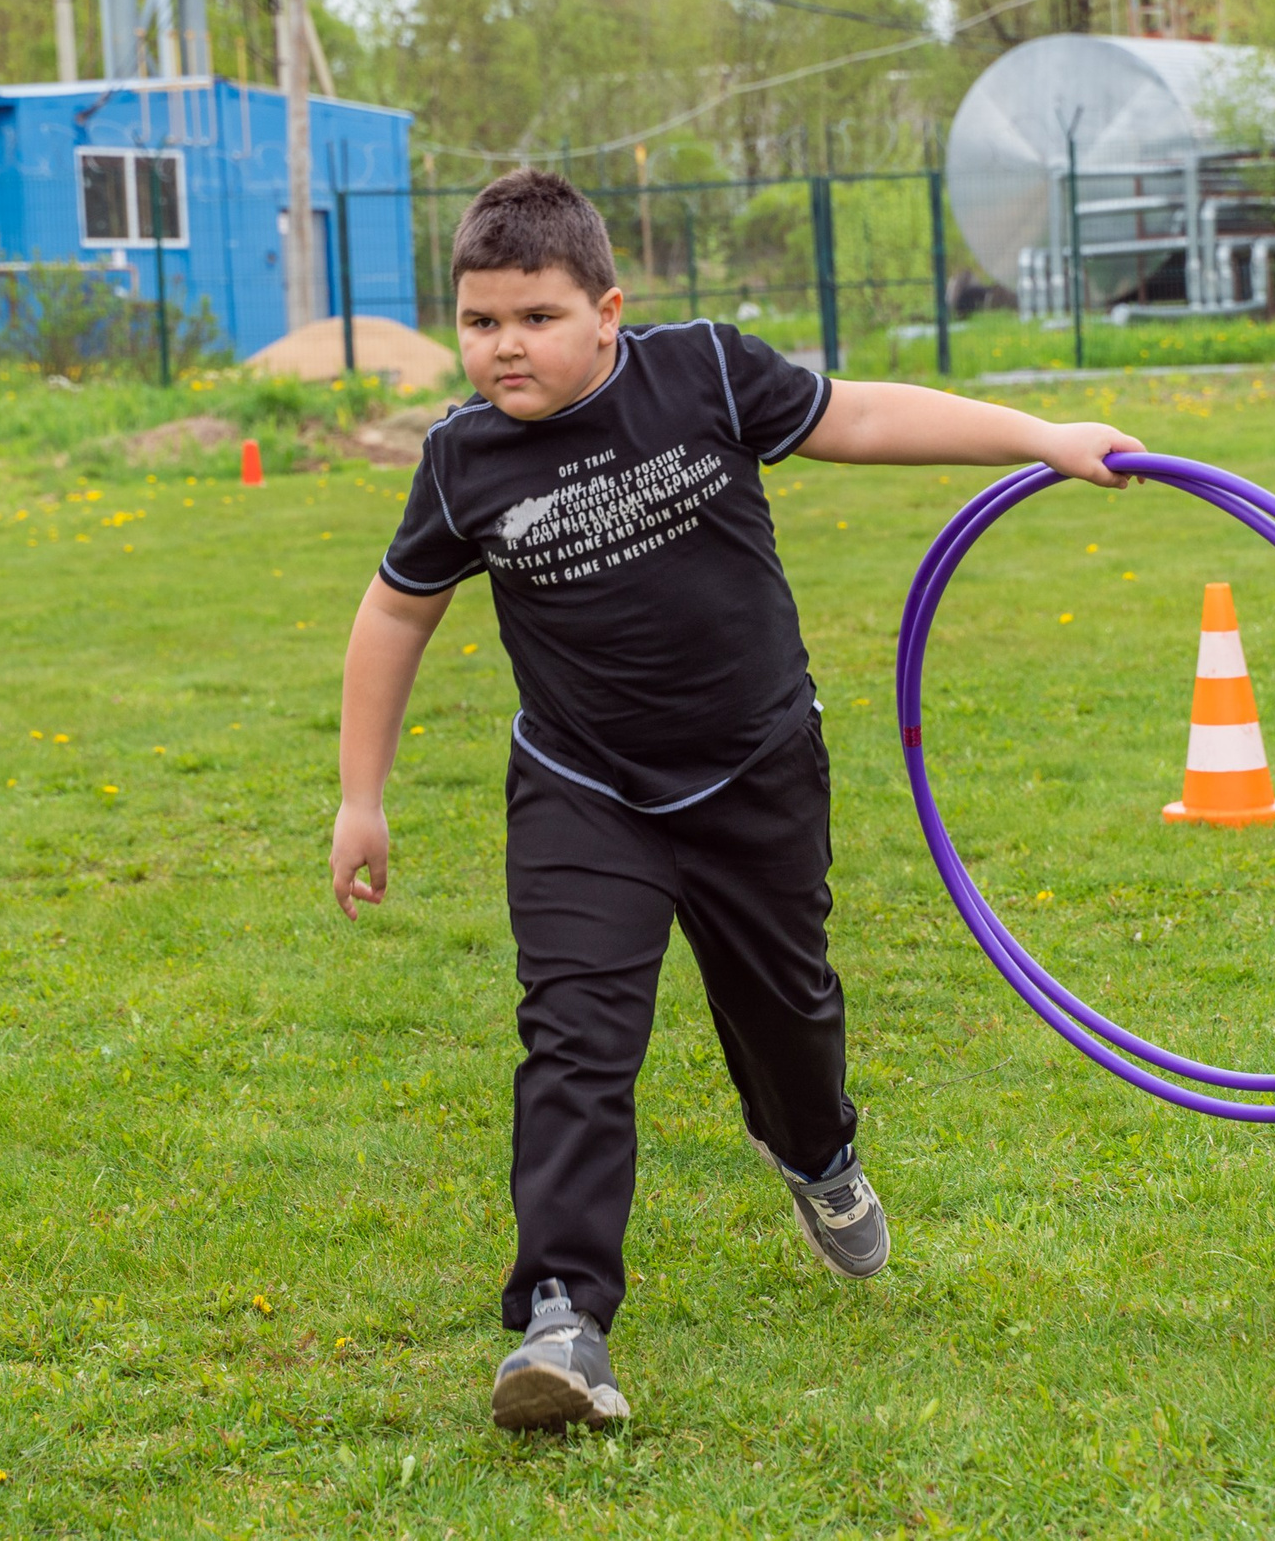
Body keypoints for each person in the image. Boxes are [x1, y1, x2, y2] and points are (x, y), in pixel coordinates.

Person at [330, 171, 1146, 1433]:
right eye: (480, 321)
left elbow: (862, 419)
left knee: (787, 1009)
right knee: (576, 1038)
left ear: (608, 308)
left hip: (754, 767)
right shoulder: (461, 460)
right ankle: (561, 1320)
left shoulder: (700, 374)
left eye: (536, 318)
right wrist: (359, 798)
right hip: (583, 786)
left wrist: (1040, 437)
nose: (504, 346)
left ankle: (815, 1151)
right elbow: (397, 609)